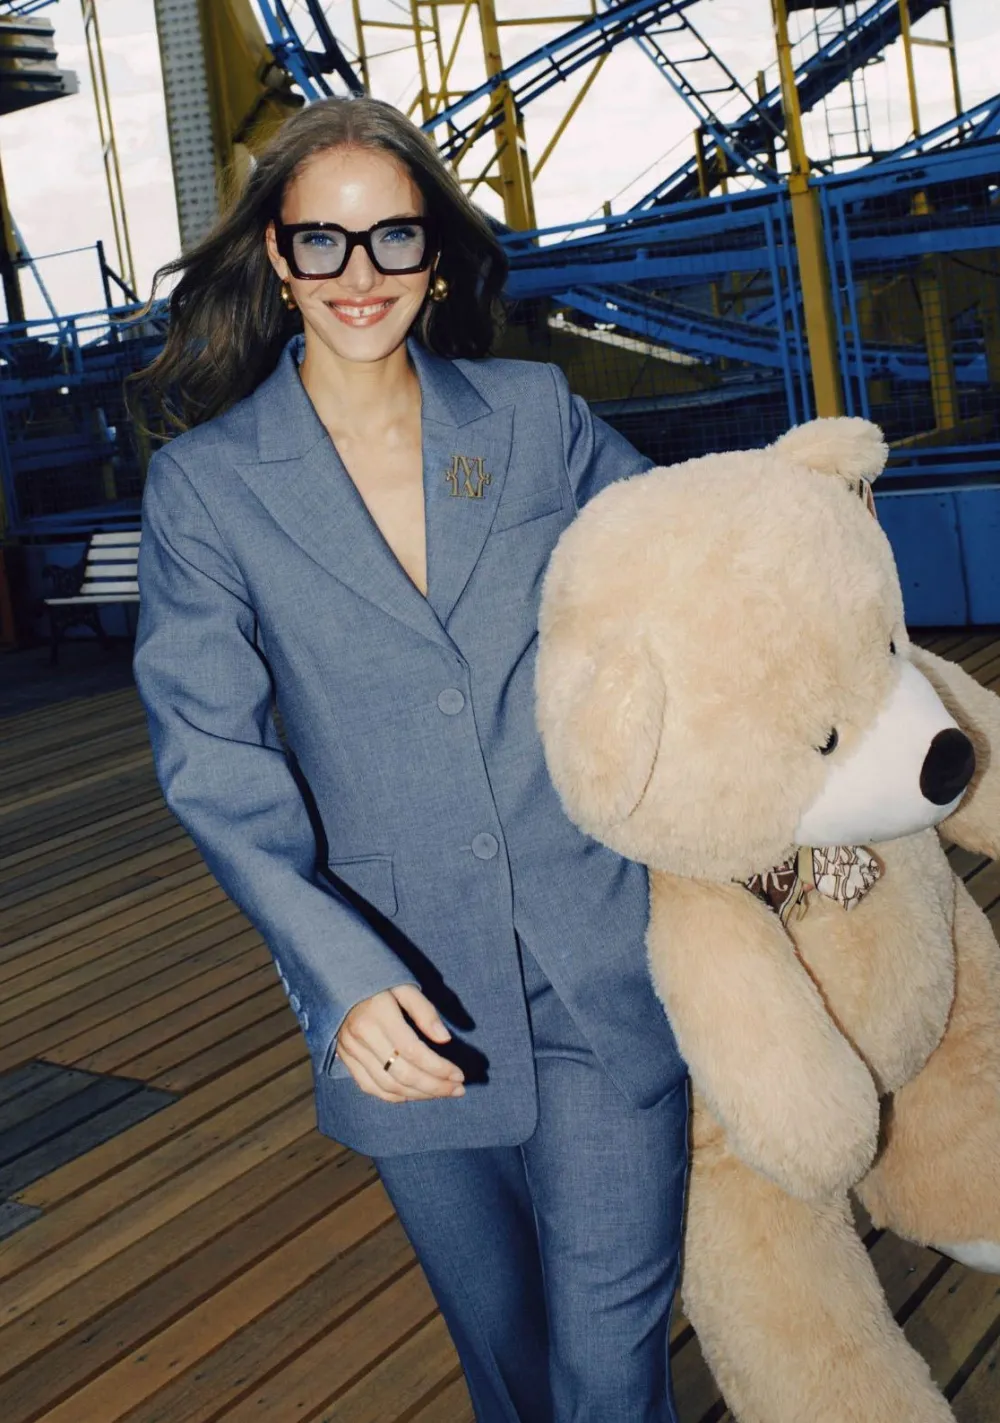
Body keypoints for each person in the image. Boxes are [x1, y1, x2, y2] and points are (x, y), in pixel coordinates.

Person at [132, 95, 689, 1423]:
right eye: (321, 242)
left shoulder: (534, 416)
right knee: (510, 1371)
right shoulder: (207, 489)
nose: (359, 273)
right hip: (403, 1002)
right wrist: (338, 978)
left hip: (597, 965)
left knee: (610, 1375)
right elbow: (214, 762)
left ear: (435, 252)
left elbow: (690, 565)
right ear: (277, 259)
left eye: (393, 236)